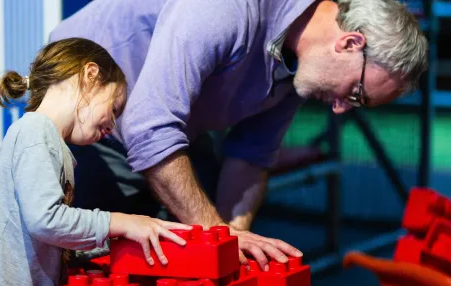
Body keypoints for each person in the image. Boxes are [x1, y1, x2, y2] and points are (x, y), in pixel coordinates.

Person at [49, 0, 428, 270]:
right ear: (349, 44)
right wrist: (218, 236)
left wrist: (233, 246)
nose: (341, 108)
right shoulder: (228, 7)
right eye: (355, 93)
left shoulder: (304, 67)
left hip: (170, 123)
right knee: (94, 261)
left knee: (208, 247)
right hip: (86, 112)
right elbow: (149, 126)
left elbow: (251, 155)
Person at [0, 37, 192, 286]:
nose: (112, 127)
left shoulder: (52, 144)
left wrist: (115, 242)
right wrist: (123, 222)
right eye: (113, 109)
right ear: (90, 75)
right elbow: (45, 221)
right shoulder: (35, 131)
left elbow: (52, 241)